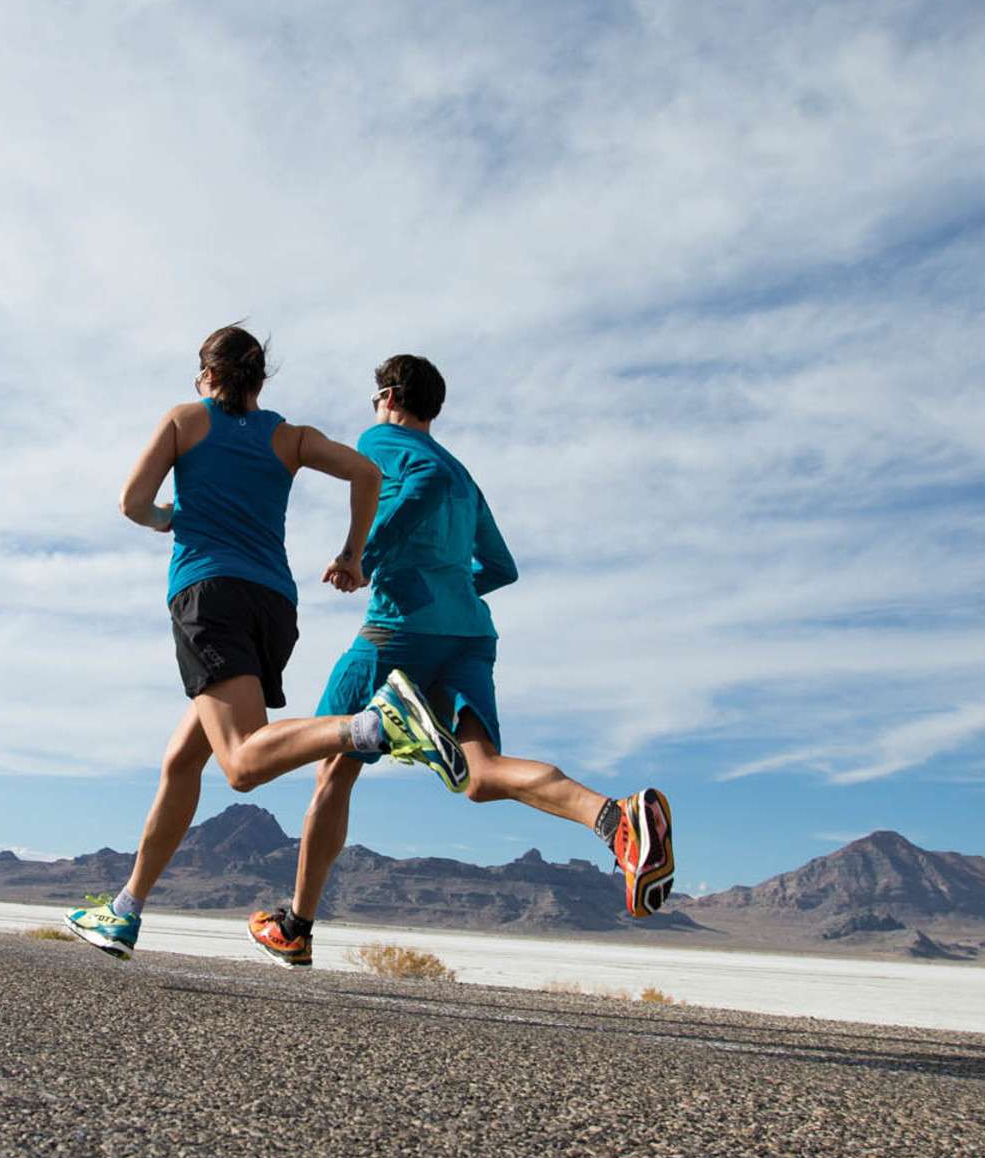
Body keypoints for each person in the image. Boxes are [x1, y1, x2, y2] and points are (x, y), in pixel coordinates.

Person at [245, 353, 673, 968]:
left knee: (335, 765)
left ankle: (296, 925)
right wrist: (453, 591)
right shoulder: (464, 473)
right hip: (470, 636)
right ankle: (615, 819)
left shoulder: (381, 440)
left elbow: (420, 489)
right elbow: (501, 567)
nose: (372, 411)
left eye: (374, 400)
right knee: (480, 774)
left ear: (389, 397)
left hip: (400, 631)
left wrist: (361, 556)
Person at [64, 326, 470, 959]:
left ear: (208, 375)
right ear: (260, 381)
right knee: (182, 760)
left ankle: (370, 725)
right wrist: (351, 553)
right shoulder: (291, 437)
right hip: (273, 607)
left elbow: (131, 502)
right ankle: (125, 910)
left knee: (242, 763)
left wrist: (171, 517)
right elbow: (365, 475)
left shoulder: (185, 419)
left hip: (210, 596)